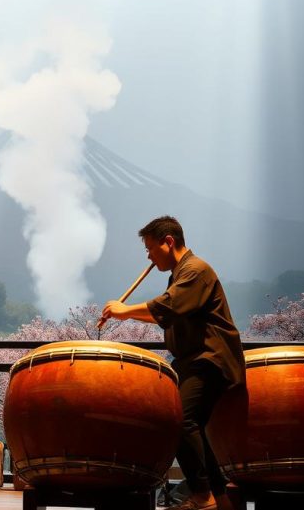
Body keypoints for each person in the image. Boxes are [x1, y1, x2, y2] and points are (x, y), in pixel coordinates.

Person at [102, 216, 245, 510]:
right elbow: (168, 313)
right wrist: (127, 313)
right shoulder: (180, 275)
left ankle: (202, 496)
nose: (149, 257)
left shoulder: (196, 271)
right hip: (194, 362)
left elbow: (168, 307)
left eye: (150, 248)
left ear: (168, 242)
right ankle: (220, 500)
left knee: (179, 421)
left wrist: (124, 311)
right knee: (194, 428)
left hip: (210, 360)